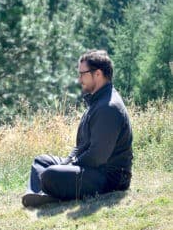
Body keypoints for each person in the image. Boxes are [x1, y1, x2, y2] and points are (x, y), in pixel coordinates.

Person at [22, 49, 133, 207]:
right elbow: (81, 146)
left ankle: (50, 192)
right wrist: (67, 161)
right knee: (41, 161)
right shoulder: (96, 102)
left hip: (109, 177)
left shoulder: (108, 107)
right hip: (92, 168)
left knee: (51, 174)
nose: (79, 79)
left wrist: (69, 166)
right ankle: (39, 194)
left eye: (83, 74)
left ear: (98, 74)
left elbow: (97, 157)